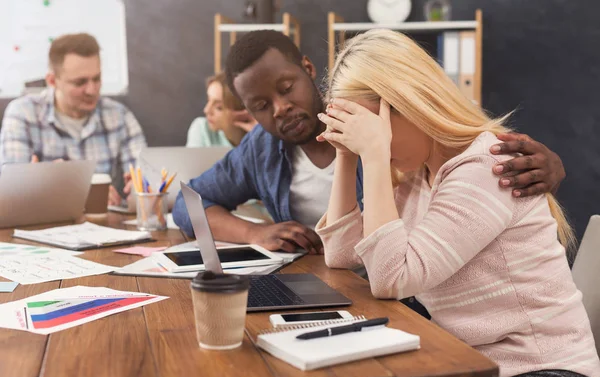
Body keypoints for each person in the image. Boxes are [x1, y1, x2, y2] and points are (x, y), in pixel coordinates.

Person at [315, 29, 600, 377]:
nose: (375, 145)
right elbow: (340, 256)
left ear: (412, 102)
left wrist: (372, 152)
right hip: (468, 365)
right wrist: (346, 153)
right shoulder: (417, 178)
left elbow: (392, 277)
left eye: (372, 128)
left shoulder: (486, 168)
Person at [172, 29, 567, 255]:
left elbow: (460, 141)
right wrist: (254, 233)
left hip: (407, 290)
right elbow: (187, 203)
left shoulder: (389, 125)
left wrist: (550, 166)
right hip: (338, 280)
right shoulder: (260, 149)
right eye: (260, 105)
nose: (279, 109)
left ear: (308, 69)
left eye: (287, 88)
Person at [0, 33, 147, 206]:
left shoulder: (119, 116)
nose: (92, 90)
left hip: (106, 226)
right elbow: (11, 194)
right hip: (47, 227)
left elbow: (144, 177)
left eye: (97, 79)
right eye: (80, 82)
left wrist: (139, 193)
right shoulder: (23, 113)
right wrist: (52, 184)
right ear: (53, 80)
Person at [186, 72, 257, 148]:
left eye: (219, 107)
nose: (206, 110)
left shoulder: (258, 136)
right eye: (208, 100)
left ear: (242, 110)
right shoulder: (202, 128)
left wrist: (261, 136)